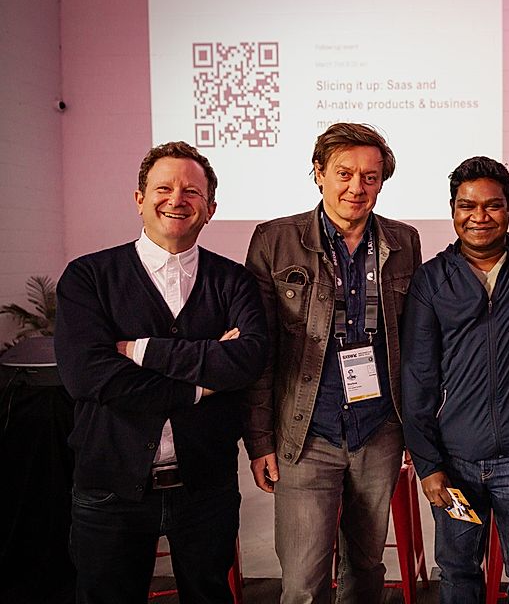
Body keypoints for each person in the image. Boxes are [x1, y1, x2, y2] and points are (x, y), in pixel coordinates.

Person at [55, 141, 269, 603]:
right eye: (164, 188)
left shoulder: (233, 281)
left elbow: (248, 359)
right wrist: (200, 384)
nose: (177, 199)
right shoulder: (88, 277)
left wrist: (140, 351)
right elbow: (89, 376)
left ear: (210, 209)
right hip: (109, 487)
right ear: (139, 199)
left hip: (205, 485)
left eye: (192, 191)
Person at [243, 123, 421, 603]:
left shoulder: (404, 242)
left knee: (366, 567)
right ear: (319, 173)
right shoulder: (275, 240)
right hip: (306, 432)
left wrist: (415, 431)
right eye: (344, 173)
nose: (356, 187)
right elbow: (260, 354)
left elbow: (412, 347)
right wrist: (259, 441)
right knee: (304, 581)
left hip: (379, 429)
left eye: (370, 177)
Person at [402, 156, 509, 604]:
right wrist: (429, 465)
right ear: (453, 209)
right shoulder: (432, 280)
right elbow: (417, 378)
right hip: (456, 462)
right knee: (457, 573)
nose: (479, 217)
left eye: (492, 205)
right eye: (467, 206)